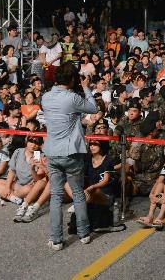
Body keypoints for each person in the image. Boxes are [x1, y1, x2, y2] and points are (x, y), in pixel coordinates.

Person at [41, 63, 98, 250]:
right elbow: (93, 108)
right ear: (73, 79)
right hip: (72, 153)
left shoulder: (46, 97)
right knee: (78, 194)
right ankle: (83, 233)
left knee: (56, 196)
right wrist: (85, 87)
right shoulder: (73, 98)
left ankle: (56, 239)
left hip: (52, 152)